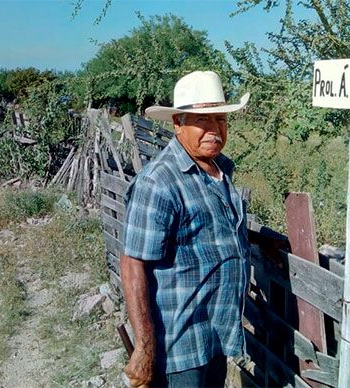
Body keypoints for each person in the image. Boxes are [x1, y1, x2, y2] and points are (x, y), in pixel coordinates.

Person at [120, 70, 251, 388]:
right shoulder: (160, 181)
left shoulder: (220, 169)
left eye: (220, 119)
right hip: (178, 345)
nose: (214, 130)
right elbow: (133, 264)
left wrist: (268, 244)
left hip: (215, 334)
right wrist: (144, 348)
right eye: (201, 121)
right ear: (177, 124)